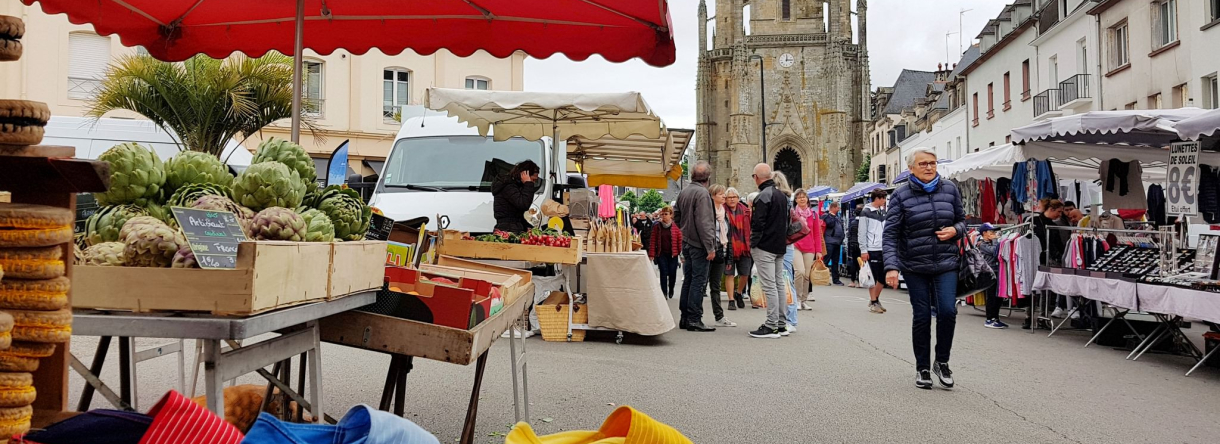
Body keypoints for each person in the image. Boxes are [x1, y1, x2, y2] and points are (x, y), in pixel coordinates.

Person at [883, 147, 967, 390]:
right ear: (911, 168)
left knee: (948, 312)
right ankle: (922, 366)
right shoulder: (900, 195)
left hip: (946, 262)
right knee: (921, 316)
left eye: (932, 163)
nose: (929, 167)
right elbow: (891, 234)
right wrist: (891, 267)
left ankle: (941, 361)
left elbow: (962, 220)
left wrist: (956, 230)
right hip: (914, 264)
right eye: (923, 164)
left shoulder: (950, 189)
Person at [674, 161, 718, 332]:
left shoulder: (684, 192)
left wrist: (684, 230)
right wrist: (710, 247)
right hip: (698, 244)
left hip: (687, 241)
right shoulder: (702, 194)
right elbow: (705, 223)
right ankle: (694, 318)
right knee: (698, 282)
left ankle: (685, 317)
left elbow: (676, 214)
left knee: (689, 280)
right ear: (707, 177)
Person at [748, 164, 791, 339]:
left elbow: (758, 224)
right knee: (778, 284)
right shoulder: (782, 195)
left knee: (770, 286)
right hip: (780, 245)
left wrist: (753, 243)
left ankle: (771, 325)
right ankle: (781, 323)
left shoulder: (762, 196)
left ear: (756, 177)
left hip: (765, 246)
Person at [707, 184, 737, 327]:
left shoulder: (723, 213)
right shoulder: (708, 213)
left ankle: (719, 316)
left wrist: (728, 256)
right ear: (713, 196)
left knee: (715, 286)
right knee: (701, 285)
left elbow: (728, 235)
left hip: (721, 251)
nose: (724, 196)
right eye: (721, 194)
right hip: (709, 252)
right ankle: (694, 316)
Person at [791, 189, 824, 310]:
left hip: (810, 247)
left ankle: (804, 300)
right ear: (796, 200)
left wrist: (819, 251)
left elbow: (817, 234)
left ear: (807, 199)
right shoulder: (793, 214)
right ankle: (797, 299)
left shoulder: (814, 215)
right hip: (796, 246)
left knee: (807, 275)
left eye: (803, 197)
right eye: (799, 197)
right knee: (799, 272)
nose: (802, 199)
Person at [859, 189, 888, 313]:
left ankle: (875, 299)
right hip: (871, 248)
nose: (885, 201)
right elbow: (862, 232)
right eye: (883, 198)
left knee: (883, 277)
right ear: (877, 198)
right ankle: (874, 301)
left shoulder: (883, 212)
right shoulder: (865, 212)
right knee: (873, 277)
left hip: (883, 248)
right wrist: (863, 250)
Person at [491, 160, 540, 233]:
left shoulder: (514, 186)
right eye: (533, 180)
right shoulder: (508, 186)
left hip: (511, 227)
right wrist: (528, 184)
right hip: (508, 230)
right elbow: (524, 204)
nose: (533, 183)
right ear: (525, 175)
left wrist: (530, 229)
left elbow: (518, 216)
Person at [723, 187, 751, 310]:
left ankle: (738, 293)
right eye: (729, 197)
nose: (732, 199)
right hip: (728, 246)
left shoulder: (746, 211)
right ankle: (731, 300)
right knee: (729, 274)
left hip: (744, 246)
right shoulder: (721, 211)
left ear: (738, 198)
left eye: (734, 197)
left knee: (745, 273)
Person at [976, 223, 1007, 329]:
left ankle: (996, 318)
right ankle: (989, 319)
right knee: (991, 296)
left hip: (997, 271)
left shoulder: (990, 242)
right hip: (989, 273)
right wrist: (995, 240)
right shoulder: (982, 244)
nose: (994, 234)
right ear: (984, 233)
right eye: (991, 232)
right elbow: (994, 251)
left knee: (998, 296)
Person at [647, 207, 681, 299]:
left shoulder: (675, 227)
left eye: (666, 214)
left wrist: (681, 255)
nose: (664, 216)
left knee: (672, 273)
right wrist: (651, 254)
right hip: (661, 254)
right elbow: (653, 240)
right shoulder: (657, 226)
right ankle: (664, 292)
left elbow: (679, 241)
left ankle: (671, 289)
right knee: (663, 272)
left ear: (671, 215)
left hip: (673, 254)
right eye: (662, 214)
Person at [822, 201, 846, 286]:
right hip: (829, 241)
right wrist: (832, 215)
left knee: (835, 262)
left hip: (837, 242)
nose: (838, 209)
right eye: (837, 207)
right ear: (832, 208)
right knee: (826, 261)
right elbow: (830, 224)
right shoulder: (826, 216)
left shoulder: (838, 217)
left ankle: (836, 280)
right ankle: (824, 279)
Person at [845, 203, 863, 288]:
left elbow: (849, 234)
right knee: (861, 263)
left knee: (854, 263)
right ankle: (860, 282)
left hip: (853, 244)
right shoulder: (863, 223)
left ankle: (852, 281)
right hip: (861, 244)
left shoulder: (852, 222)